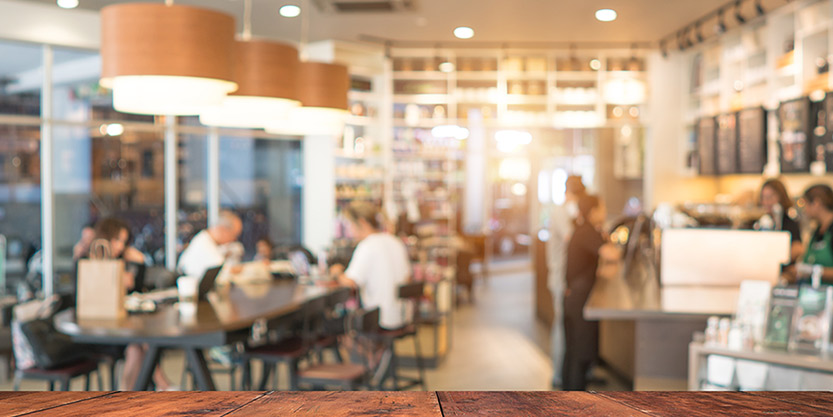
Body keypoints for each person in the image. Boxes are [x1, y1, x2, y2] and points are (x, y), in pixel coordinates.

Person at [86, 218, 174, 391]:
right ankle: (162, 387)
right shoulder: (88, 261)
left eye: (123, 242)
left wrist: (139, 264)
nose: (120, 246)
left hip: (121, 329)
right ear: (106, 237)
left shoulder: (121, 262)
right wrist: (117, 281)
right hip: (96, 331)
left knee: (140, 344)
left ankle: (134, 398)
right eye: (117, 240)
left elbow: (137, 293)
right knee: (139, 344)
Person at [329, 201, 410, 330]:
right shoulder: (395, 241)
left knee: (334, 323)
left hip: (378, 319)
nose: (349, 230)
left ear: (362, 222)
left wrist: (337, 272)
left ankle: (364, 348)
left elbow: (350, 283)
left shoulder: (367, 245)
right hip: (401, 317)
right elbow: (407, 277)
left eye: (350, 225)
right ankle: (380, 350)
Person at [561, 194, 610, 391]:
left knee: (574, 351)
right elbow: (611, 254)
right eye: (602, 208)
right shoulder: (587, 231)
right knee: (578, 355)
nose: (605, 212)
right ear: (593, 212)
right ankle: (574, 401)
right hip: (578, 300)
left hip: (573, 298)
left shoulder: (585, 230)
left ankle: (569, 397)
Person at [547, 175, 586, 389]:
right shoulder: (560, 213)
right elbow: (573, 238)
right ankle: (558, 375)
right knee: (561, 326)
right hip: (560, 278)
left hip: (566, 278)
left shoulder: (568, 213)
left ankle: (570, 371)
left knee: (568, 325)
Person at [177, 210, 243, 279]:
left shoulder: (206, 239)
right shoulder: (205, 246)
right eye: (234, 235)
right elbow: (221, 273)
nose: (234, 240)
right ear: (223, 230)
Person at [788, 184, 833, 284]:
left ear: (817, 203)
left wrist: (813, 271)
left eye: (806, 204)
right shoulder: (818, 230)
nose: (805, 210)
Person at [759, 179, 803, 262]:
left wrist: (779, 258)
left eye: (770, 197)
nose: (766, 201)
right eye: (764, 197)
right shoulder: (763, 221)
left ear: (781, 197)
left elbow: (798, 248)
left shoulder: (790, 220)